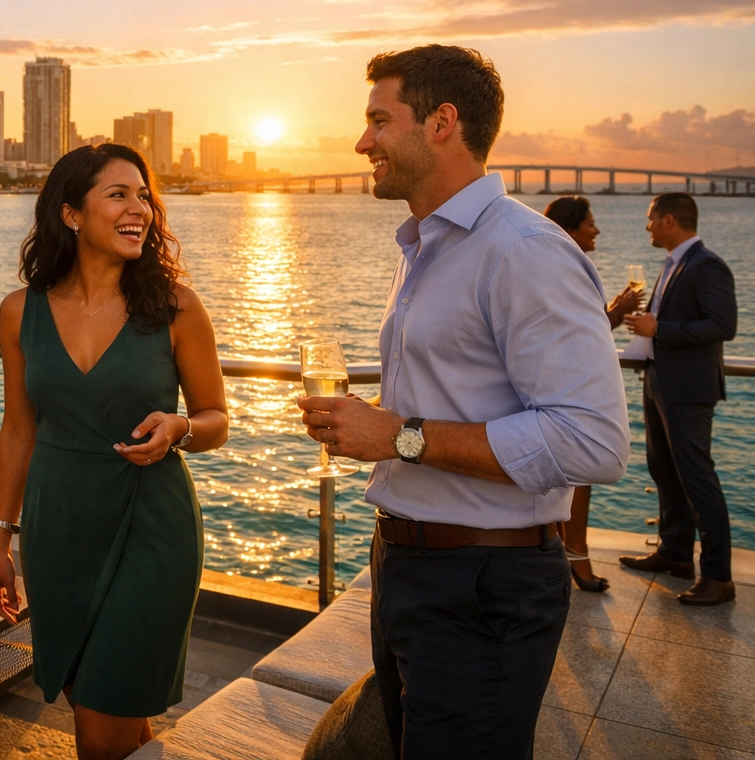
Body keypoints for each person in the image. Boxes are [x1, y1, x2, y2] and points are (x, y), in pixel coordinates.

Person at [300, 45, 629, 759]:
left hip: (483, 586)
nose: (362, 142)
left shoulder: (523, 251)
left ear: (442, 122)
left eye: (378, 120)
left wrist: (399, 435)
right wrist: (372, 426)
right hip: (409, 567)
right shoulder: (427, 248)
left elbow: (592, 442)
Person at [0, 144, 230, 760]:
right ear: (71, 214)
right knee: (106, 715)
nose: (139, 209)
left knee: (99, 728)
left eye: (144, 195)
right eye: (118, 194)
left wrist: (180, 427)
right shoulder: (20, 312)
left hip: (152, 530)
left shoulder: (176, 306)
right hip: (58, 531)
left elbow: (216, 420)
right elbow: (18, 430)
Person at [618, 192, 738, 606]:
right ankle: (675, 553)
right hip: (660, 384)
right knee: (664, 471)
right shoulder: (674, 265)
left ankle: (719, 577)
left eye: (651, 219)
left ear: (670, 220)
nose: (647, 226)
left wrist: (659, 331)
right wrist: (648, 330)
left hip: (689, 391)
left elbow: (723, 325)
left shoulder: (708, 266)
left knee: (698, 480)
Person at [543, 195, 643, 592]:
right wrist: (617, 312)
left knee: (562, 480)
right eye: (590, 223)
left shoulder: (553, 266)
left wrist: (616, 309)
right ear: (570, 229)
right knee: (576, 477)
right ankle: (575, 556)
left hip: (562, 386)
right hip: (565, 390)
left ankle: (565, 555)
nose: (596, 229)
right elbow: (575, 336)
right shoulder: (563, 268)